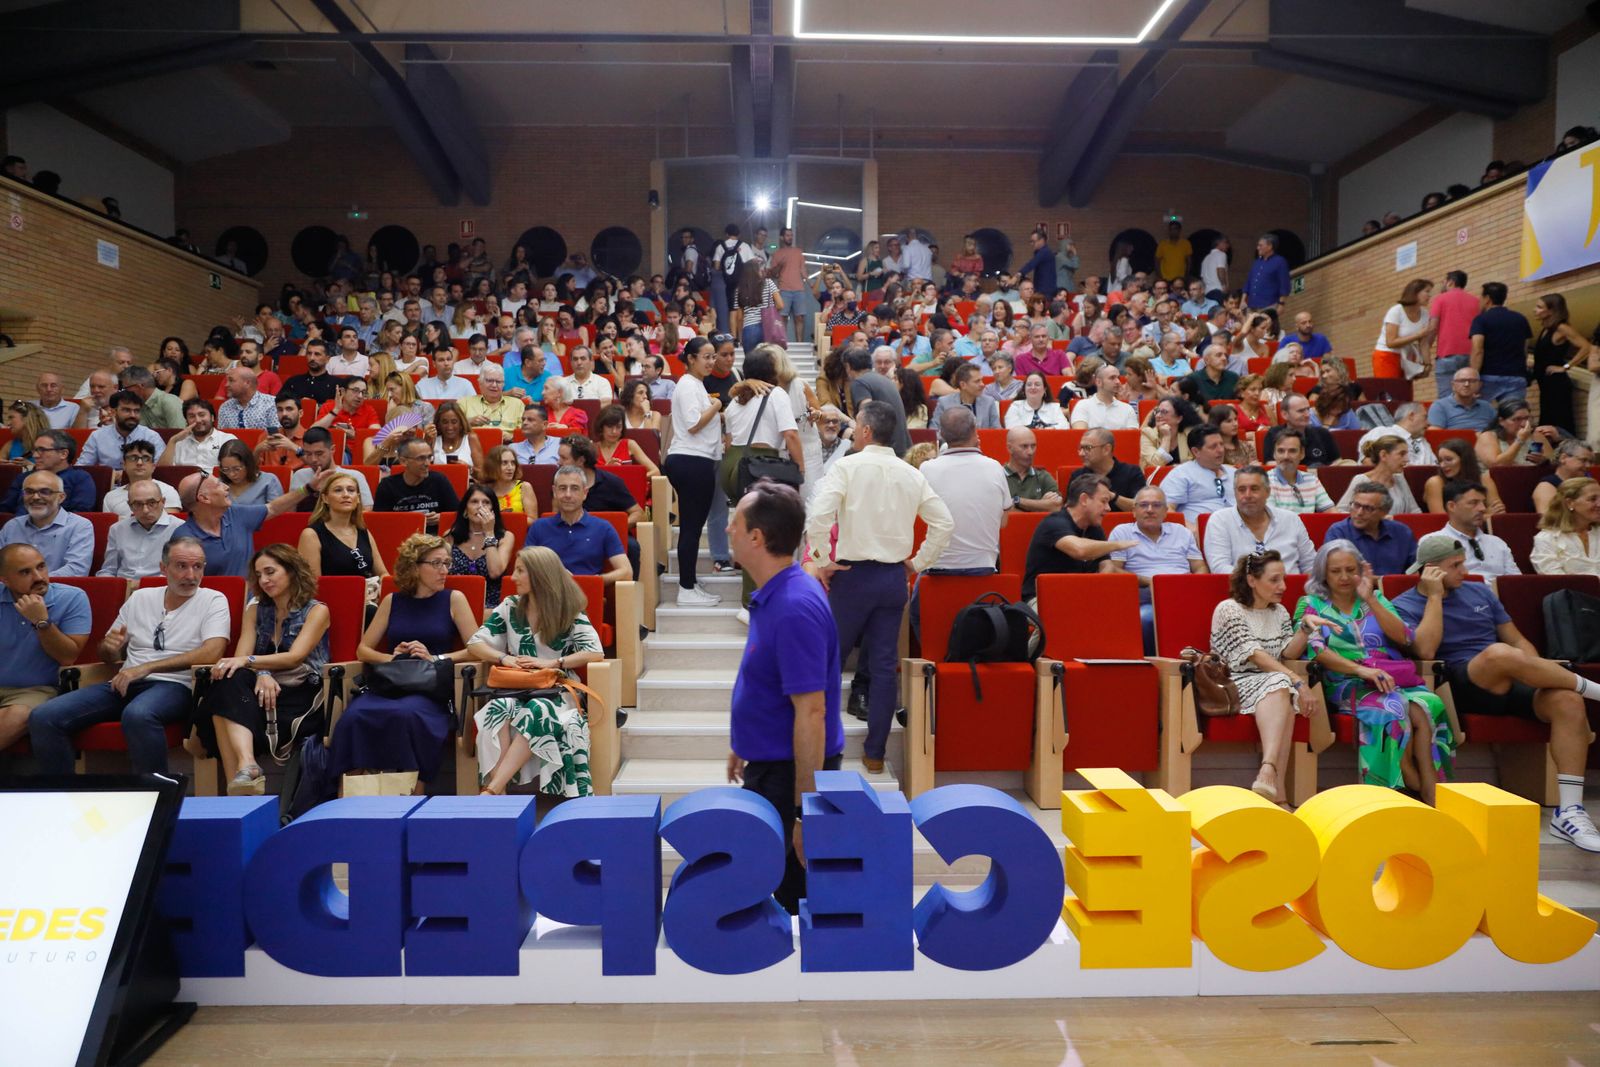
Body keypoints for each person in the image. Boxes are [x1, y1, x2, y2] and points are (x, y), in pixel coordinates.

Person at [1394, 535, 1600, 850]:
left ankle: (1569, 811)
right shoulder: (1403, 604)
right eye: (1456, 565)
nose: (1466, 570)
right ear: (1431, 570)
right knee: (1498, 654)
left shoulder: (1479, 592)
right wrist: (1434, 598)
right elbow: (1424, 650)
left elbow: (1518, 642)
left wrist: (1534, 672)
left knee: (1567, 700)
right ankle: (1596, 690)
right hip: (1458, 683)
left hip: (1509, 677)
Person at [804, 400, 953, 774]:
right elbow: (944, 524)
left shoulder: (847, 466)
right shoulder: (910, 473)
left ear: (866, 431)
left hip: (852, 577)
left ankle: (822, 747)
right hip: (892, 578)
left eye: (855, 425)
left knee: (830, 662)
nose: (852, 430)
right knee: (884, 668)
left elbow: (819, 514)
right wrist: (917, 563)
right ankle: (874, 754)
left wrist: (821, 558)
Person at [723, 481, 843, 913]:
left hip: (791, 777)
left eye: (734, 522)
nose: (728, 529)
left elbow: (812, 713)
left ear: (757, 537)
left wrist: (803, 814)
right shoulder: (775, 594)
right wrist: (745, 742)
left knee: (792, 904)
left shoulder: (794, 606)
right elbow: (770, 682)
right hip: (771, 764)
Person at [29, 537, 230, 774]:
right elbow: (106, 652)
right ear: (163, 568)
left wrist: (147, 668)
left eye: (198, 567)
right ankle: (63, 796)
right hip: (126, 681)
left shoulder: (213, 600)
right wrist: (110, 648)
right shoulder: (141, 598)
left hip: (178, 685)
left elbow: (212, 652)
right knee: (44, 716)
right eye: (181, 566)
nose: (191, 575)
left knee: (138, 714)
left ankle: (154, 797)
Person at [1295, 541, 1453, 802]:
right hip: (1346, 681)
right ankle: (1390, 792)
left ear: (1360, 570)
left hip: (1391, 678)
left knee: (1430, 704)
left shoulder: (1376, 598)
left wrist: (1370, 598)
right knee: (1392, 705)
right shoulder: (1310, 604)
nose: (1344, 577)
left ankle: (1433, 789)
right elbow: (1317, 652)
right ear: (1323, 572)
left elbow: (1404, 637)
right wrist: (1361, 670)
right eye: (1336, 571)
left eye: (1350, 569)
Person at [330, 534, 481, 789]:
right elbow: (363, 650)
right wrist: (393, 656)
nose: (444, 570)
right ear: (414, 566)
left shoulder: (453, 599)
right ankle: (353, 794)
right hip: (391, 682)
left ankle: (410, 791)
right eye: (436, 564)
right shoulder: (392, 601)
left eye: (447, 563)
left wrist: (435, 657)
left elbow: (477, 650)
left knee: (407, 715)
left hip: (429, 687)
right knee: (354, 716)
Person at [469, 545, 605, 796]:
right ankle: (500, 798)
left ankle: (491, 791)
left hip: (556, 691)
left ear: (540, 574)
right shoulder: (510, 606)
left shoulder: (568, 609)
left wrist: (554, 663)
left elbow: (595, 652)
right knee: (496, 709)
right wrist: (503, 658)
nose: (513, 577)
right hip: (516, 687)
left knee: (538, 711)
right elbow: (475, 643)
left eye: (520, 571)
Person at [194, 544, 330, 794]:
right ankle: (247, 766)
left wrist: (255, 666)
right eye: (258, 575)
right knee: (226, 680)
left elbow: (294, 657)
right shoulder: (256, 609)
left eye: (270, 572)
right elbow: (240, 657)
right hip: (258, 691)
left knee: (222, 699)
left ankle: (239, 785)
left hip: (301, 692)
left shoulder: (317, 610)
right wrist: (263, 673)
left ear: (291, 571)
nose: (264, 580)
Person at [1210, 550, 1319, 803]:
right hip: (1232, 683)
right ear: (1251, 580)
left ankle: (1269, 779)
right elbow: (1254, 655)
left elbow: (1286, 652)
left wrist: (1304, 628)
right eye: (1274, 580)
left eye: (1284, 579)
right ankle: (1274, 785)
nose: (1283, 586)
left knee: (1282, 688)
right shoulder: (1228, 609)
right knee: (1284, 685)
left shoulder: (1279, 612)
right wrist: (1297, 680)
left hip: (1273, 684)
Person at [719, 350, 805, 614]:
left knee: (749, 530)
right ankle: (752, 601)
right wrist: (800, 468)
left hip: (733, 464)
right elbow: (789, 434)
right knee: (763, 533)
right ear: (773, 371)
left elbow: (730, 439)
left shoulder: (736, 400)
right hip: (760, 462)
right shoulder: (776, 395)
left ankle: (753, 596)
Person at [916, 406, 1010, 630]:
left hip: (938, 570)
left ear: (941, 435)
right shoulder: (995, 467)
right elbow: (1004, 521)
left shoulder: (927, 469)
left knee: (917, 615)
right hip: (984, 569)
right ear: (975, 431)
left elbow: (919, 519)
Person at [0, 544, 92, 751]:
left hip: (36, 689)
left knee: (18, 716)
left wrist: (41, 622)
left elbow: (67, 657)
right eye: (25, 572)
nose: (38, 577)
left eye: (41, 567)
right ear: (4, 580)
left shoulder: (72, 597)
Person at [663, 338, 725, 606]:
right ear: (690, 359)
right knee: (690, 528)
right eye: (706, 357)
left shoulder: (695, 385)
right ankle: (686, 588)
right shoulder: (687, 385)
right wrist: (716, 407)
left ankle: (690, 583)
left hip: (694, 459)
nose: (711, 362)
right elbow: (693, 424)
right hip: (691, 460)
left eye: (714, 357)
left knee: (693, 527)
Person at [1108, 485, 1206, 652]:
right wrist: (1151, 581)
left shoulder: (1181, 532)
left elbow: (1200, 567)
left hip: (1182, 592)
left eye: (1156, 505)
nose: (1150, 510)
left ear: (1166, 510)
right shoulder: (1122, 532)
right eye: (1144, 505)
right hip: (1146, 594)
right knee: (1146, 618)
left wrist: (1193, 585)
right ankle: (1156, 667)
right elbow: (1113, 570)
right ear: (1134, 510)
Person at [171, 470, 318, 578]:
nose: (226, 487)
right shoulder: (183, 538)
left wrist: (307, 489)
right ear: (204, 498)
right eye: (218, 485)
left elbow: (273, 508)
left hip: (253, 604)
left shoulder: (236, 514)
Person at [1022, 472, 1130, 605]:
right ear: (1084, 499)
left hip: (1078, 596)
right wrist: (1117, 545)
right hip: (1042, 599)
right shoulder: (1053, 523)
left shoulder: (1094, 528)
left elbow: (1106, 566)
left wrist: (1093, 590)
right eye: (1103, 501)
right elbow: (1079, 550)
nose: (1108, 508)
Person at [526, 466, 631, 587]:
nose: (568, 494)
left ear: (585, 493)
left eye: (575, 488)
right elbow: (525, 568)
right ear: (554, 492)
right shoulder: (538, 527)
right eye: (562, 488)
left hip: (587, 596)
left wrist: (592, 581)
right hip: (548, 595)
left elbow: (626, 572)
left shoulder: (603, 528)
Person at [1204, 466, 1315, 574]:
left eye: (1254, 489)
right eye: (1241, 490)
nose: (1247, 495)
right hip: (1241, 590)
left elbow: (1311, 565)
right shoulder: (1219, 520)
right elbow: (1219, 568)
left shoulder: (1291, 520)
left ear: (1267, 491)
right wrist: (1260, 582)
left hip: (1290, 590)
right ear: (1235, 492)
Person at [0, 471, 94, 577]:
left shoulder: (79, 526)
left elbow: (76, 571)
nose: (35, 497)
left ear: (61, 497)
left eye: (45, 492)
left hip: (58, 591)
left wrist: (33, 582)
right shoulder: (12, 526)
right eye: (29, 491)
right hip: (12, 592)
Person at [1533, 293, 1595, 437]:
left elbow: (1586, 347)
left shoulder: (1562, 328)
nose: (1535, 310)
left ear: (1551, 310)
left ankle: (1568, 454)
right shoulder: (1545, 329)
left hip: (1557, 385)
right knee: (1546, 426)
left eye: (1539, 307)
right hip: (1546, 385)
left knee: (1559, 424)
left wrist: (1566, 367)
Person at [446, 484, 514, 609]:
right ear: (465, 510)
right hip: (454, 605)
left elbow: (495, 572)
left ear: (493, 510)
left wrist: (489, 532)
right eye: (474, 502)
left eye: (486, 502)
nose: (480, 506)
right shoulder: (450, 536)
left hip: (491, 607)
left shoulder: (506, 537)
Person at [1326, 481, 1416, 575]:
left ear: (1384, 512)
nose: (1359, 512)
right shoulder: (1338, 533)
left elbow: (1416, 568)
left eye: (1368, 508)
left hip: (1397, 589)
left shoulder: (1402, 532)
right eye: (1356, 505)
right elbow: (1336, 576)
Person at [1438, 478, 1519, 580]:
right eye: (1473, 503)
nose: (1482, 508)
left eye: (1483, 503)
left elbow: (1515, 582)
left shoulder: (1497, 543)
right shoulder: (1434, 542)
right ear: (1452, 506)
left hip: (1499, 595)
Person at [374, 436, 461, 529]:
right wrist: (412, 520)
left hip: (435, 538)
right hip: (401, 537)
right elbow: (380, 523)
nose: (427, 463)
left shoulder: (439, 480)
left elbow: (458, 514)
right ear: (403, 461)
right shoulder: (387, 486)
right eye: (421, 458)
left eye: (429, 457)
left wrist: (442, 518)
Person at [1470, 282, 1534, 405]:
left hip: (1488, 376)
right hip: (1516, 376)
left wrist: (1473, 379)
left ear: (1487, 299)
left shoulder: (1481, 320)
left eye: (1481, 297)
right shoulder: (1521, 319)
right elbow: (1524, 350)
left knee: (1479, 416)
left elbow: (1478, 350)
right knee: (1514, 416)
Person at [1161, 425, 1237, 523]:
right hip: (1200, 532)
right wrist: (1189, 529)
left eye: (1221, 444)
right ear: (1196, 451)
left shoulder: (1234, 473)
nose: (1221, 450)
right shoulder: (1181, 474)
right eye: (1213, 446)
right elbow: (1165, 508)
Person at [287, 426, 373, 509]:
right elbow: (290, 513)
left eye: (319, 453)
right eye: (308, 454)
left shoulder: (355, 476)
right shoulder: (299, 475)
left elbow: (366, 511)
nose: (313, 459)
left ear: (332, 449)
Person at [77, 389, 163, 469]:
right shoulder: (97, 436)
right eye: (127, 410)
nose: (132, 415)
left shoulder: (151, 437)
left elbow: (160, 470)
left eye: (136, 411)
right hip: (109, 484)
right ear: (113, 412)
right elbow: (82, 468)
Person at [1531, 477, 1600, 575]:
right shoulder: (1548, 539)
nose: (1599, 504)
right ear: (1570, 503)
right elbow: (1556, 581)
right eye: (1593, 499)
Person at [1065, 428, 1144, 512]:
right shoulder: (1078, 476)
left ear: (1106, 449)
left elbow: (1142, 506)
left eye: (1088, 448)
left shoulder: (1132, 472)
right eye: (1080, 448)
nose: (1081, 454)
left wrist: (1112, 496)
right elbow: (1069, 510)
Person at [1338, 434, 1421, 514]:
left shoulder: (1400, 479)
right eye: (1402, 454)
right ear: (1383, 455)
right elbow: (1341, 511)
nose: (1407, 460)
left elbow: (1414, 511)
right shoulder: (1361, 480)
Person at [1372, 278, 1436, 380]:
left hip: (1407, 357)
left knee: (1405, 393)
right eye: (1427, 291)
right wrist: (1418, 335)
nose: (1429, 295)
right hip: (1386, 355)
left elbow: (1423, 342)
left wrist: (1427, 364)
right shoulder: (1396, 311)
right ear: (1415, 292)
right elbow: (1391, 342)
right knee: (1390, 392)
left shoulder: (1425, 314)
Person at [1424, 437, 1505, 514]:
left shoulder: (1484, 480)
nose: (1442, 465)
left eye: (1448, 459)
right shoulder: (1435, 483)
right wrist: (1485, 515)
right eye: (1440, 461)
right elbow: (1440, 520)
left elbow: (1498, 511)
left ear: (1464, 460)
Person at [1476, 398, 1559, 468]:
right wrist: (1520, 440)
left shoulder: (1535, 435)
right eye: (1517, 419)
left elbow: (1554, 464)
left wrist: (1543, 461)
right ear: (1501, 421)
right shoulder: (1488, 436)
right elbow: (1497, 465)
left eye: (1526, 418)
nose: (1523, 424)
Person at [1265, 429, 1335, 513]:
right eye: (1281, 451)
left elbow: (1330, 511)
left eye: (1292, 451)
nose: (1286, 456)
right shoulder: (1265, 481)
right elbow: (1271, 518)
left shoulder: (1312, 479)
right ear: (1274, 454)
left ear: (1302, 454)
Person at [158, 397, 238, 470]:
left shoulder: (227, 440)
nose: (198, 420)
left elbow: (234, 471)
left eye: (202, 415)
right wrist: (173, 440)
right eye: (192, 416)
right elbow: (164, 472)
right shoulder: (178, 443)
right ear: (187, 421)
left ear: (212, 417)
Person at [1429, 270, 1479, 384]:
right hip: (1471, 355)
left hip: (1448, 354)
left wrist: (1426, 348)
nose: (1442, 285)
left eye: (1443, 281)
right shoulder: (1476, 301)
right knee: (1469, 396)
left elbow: (1433, 327)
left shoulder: (1440, 299)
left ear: (1450, 282)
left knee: (1446, 398)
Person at [1263, 394, 1340, 467]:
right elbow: (1270, 464)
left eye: (1308, 409)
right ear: (1285, 414)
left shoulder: (1322, 433)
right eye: (1301, 411)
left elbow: (1337, 462)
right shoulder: (1273, 434)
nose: (1307, 414)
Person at [1004, 427, 1064, 513]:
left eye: (1033, 446)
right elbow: (1001, 511)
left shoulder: (1043, 476)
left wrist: (1017, 501)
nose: (1030, 452)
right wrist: (1041, 506)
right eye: (1024, 446)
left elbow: (1057, 505)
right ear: (1010, 448)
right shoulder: (998, 476)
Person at [1358, 402, 1436, 466]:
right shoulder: (1381, 432)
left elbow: (1435, 466)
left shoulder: (1424, 442)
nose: (1428, 423)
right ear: (1411, 416)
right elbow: (1368, 462)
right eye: (1425, 417)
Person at [592, 404, 661, 476]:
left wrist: (631, 477)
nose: (614, 431)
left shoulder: (630, 444)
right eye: (609, 427)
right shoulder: (592, 448)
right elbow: (586, 477)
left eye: (618, 427)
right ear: (601, 427)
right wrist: (607, 469)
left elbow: (655, 472)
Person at [1535, 440, 1596, 514]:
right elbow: (1548, 520)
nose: (1588, 466)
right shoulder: (1546, 487)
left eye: (1590, 462)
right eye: (1583, 460)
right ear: (1563, 458)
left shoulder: (1588, 484)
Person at [1427, 367, 1496, 431]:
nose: (1466, 384)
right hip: (1455, 442)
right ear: (1453, 385)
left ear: (1479, 385)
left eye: (1472, 381)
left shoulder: (1487, 406)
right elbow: (1435, 433)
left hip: (1485, 442)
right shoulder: (1440, 406)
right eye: (1462, 381)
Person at [1140, 396, 1202, 467]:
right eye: (1157, 411)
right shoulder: (1147, 434)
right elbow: (1155, 464)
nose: (1158, 416)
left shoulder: (1189, 434)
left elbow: (1201, 461)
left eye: (1164, 412)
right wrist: (1166, 437)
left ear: (1179, 418)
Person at [1243, 234, 1291, 312]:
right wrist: (1243, 301)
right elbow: (1248, 283)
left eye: (1260, 245)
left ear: (1270, 246)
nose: (1258, 248)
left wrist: (1281, 304)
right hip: (1251, 305)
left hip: (1269, 304)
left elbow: (1284, 284)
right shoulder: (1256, 262)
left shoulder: (1280, 262)